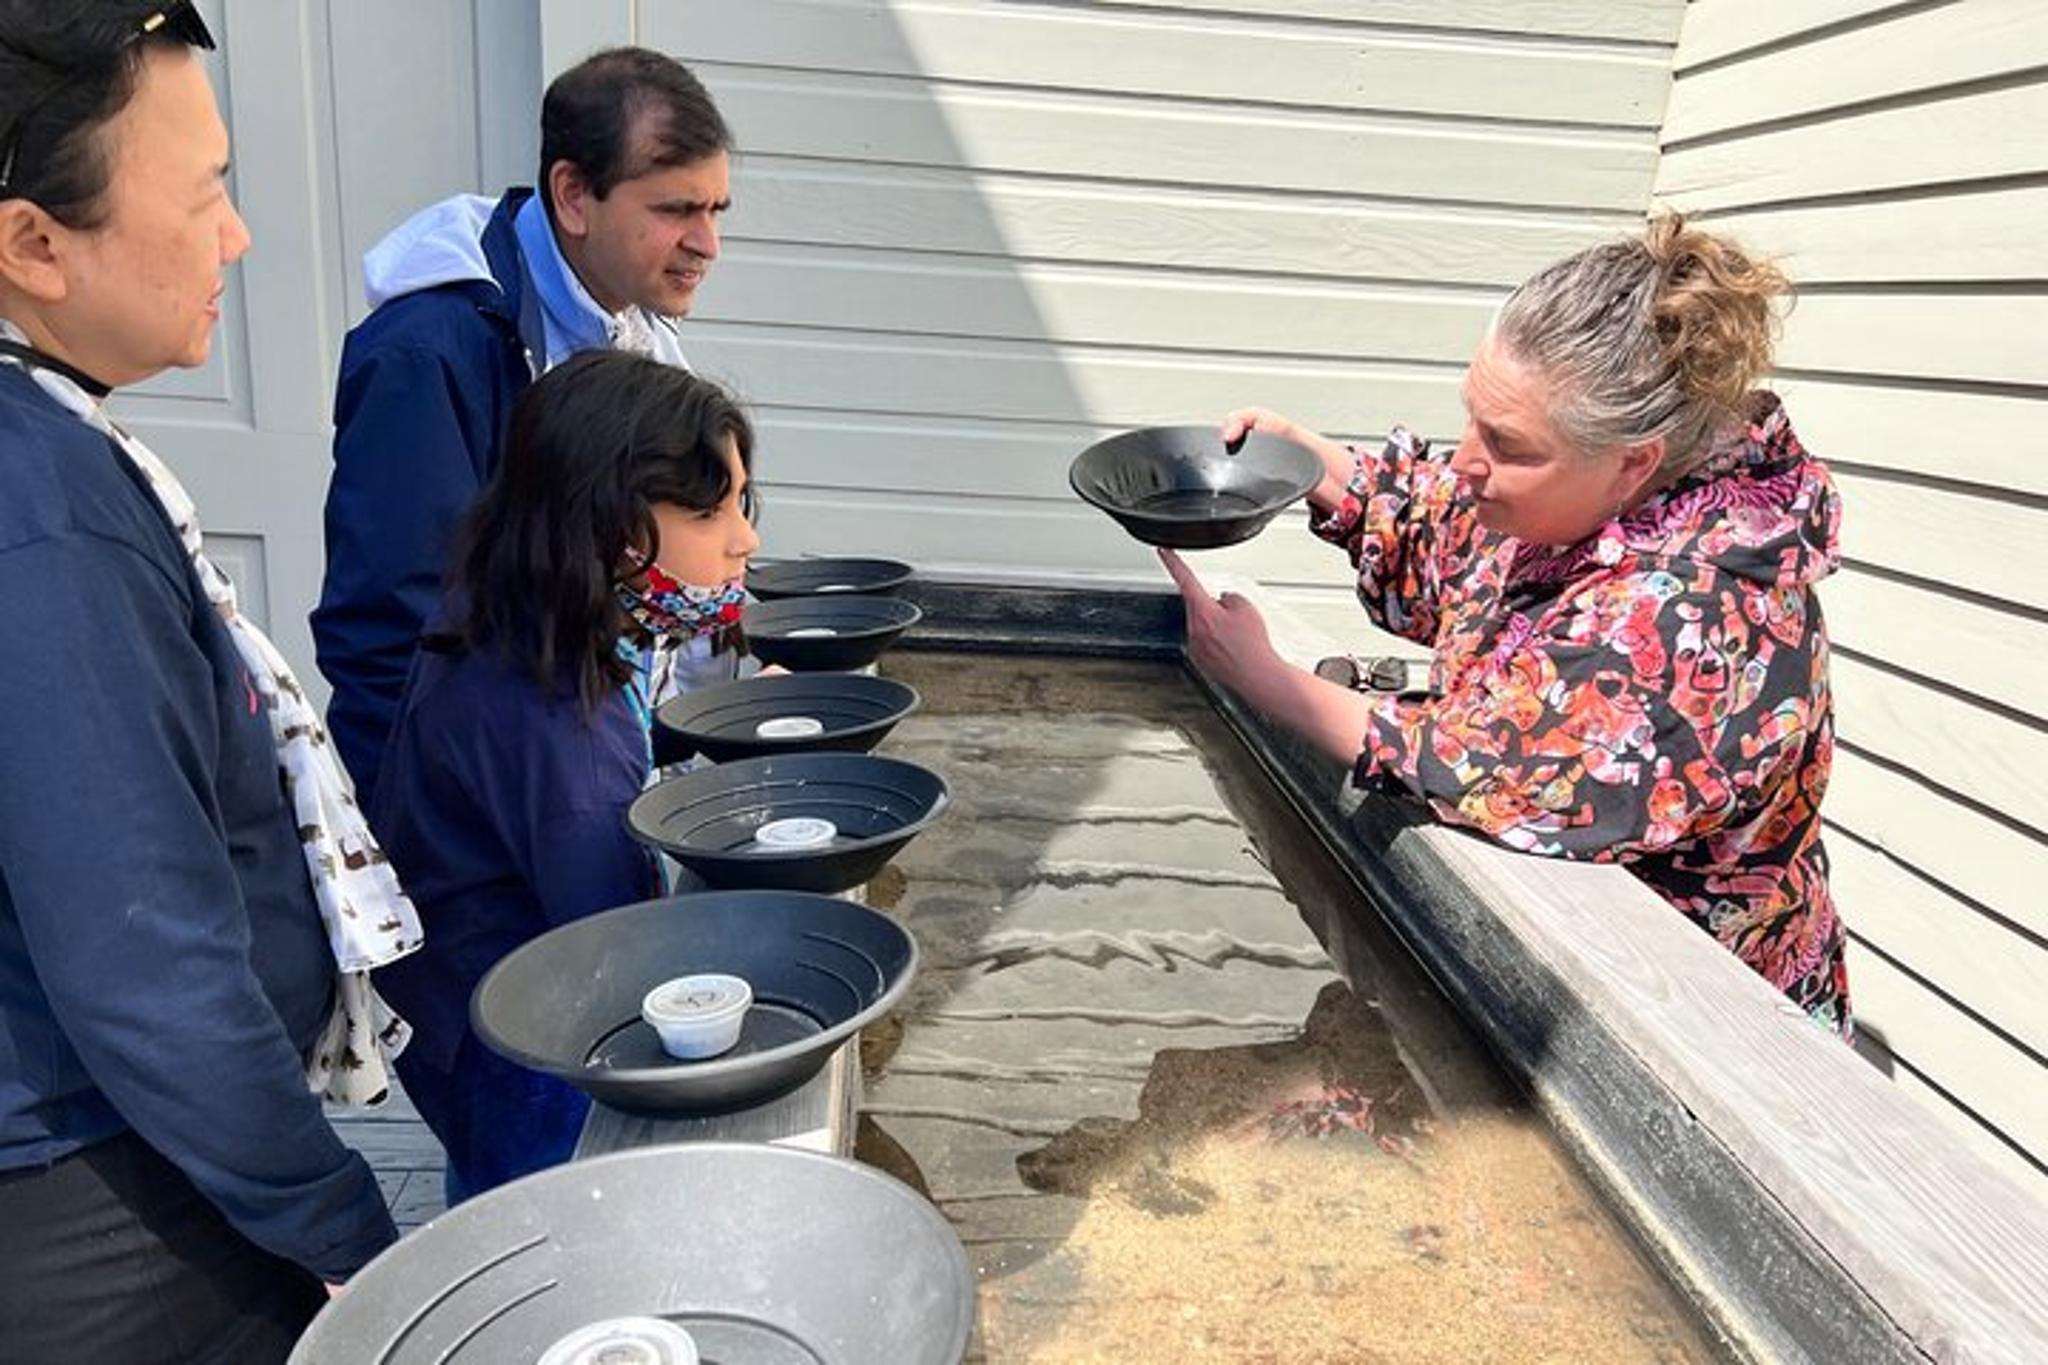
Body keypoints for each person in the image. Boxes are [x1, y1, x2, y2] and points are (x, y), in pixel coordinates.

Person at [1163, 216, 1850, 1033]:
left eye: (1506, 442)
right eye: (1472, 417)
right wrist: (1312, 464)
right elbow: (1453, 529)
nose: (1465, 460)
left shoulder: (1702, 615)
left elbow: (1501, 765)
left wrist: (1266, 681)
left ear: (1636, 459)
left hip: (1703, 1034)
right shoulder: (1593, 495)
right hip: (1573, 979)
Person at [0, 4, 410, 1358]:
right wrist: (343, 1226)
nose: (236, 236)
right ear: (33, 245)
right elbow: (146, 960)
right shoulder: (39, 509)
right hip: (112, 1214)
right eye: (208, 194)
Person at [371, 351, 760, 1200]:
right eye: (708, 510)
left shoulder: (511, 614)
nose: (744, 537)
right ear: (614, 528)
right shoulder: (562, 731)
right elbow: (625, 954)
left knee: (482, 1177)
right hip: (521, 1038)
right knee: (545, 1212)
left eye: (739, 500)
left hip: (441, 994)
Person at [314, 46, 733, 800]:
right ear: (573, 195)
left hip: (596, 779)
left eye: (715, 210)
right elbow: (387, 641)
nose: (707, 243)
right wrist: (436, 871)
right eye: (676, 209)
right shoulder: (430, 354)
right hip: (491, 846)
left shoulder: (630, 313)